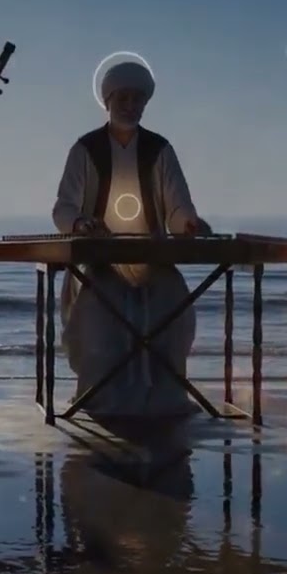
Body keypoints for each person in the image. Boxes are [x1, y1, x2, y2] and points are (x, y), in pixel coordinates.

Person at [50, 60, 211, 417]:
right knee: (98, 312)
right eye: (122, 98)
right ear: (107, 101)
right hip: (100, 261)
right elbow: (63, 208)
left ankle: (164, 396)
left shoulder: (160, 149)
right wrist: (80, 224)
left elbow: (177, 207)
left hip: (153, 259)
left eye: (137, 99)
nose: (130, 106)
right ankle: (101, 399)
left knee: (173, 302)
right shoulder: (86, 149)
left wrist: (188, 224)